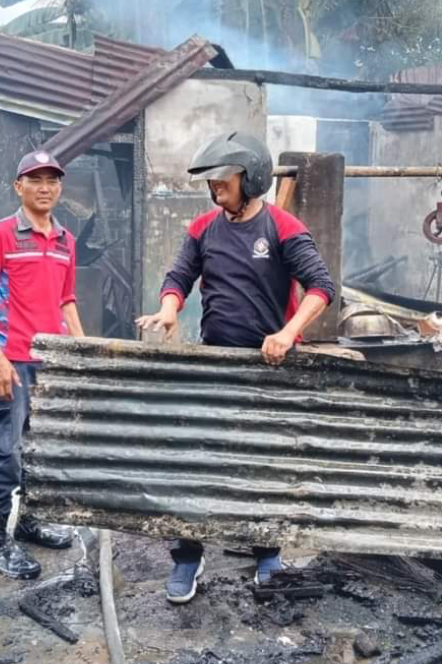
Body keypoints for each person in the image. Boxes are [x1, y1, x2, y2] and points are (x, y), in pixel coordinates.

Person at [136, 131, 336, 604]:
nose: (214, 187)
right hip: (214, 362)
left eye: (222, 178)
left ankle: (266, 554)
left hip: (268, 368)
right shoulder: (204, 227)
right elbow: (179, 276)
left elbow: (321, 286)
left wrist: (288, 333)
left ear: (251, 177)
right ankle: (188, 555)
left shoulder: (284, 228)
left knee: (262, 463)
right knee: (197, 460)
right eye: (211, 181)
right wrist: (169, 309)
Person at [0, 150, 84, 579]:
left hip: (51, 363)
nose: (45, 187)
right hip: (10, 364)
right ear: (19, 187)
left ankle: (29, 522)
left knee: (40, 454)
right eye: (35, 179)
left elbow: (66, 299)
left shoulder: (66, 240)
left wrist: (80, 353)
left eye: (52, 180)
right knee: (5, 455)